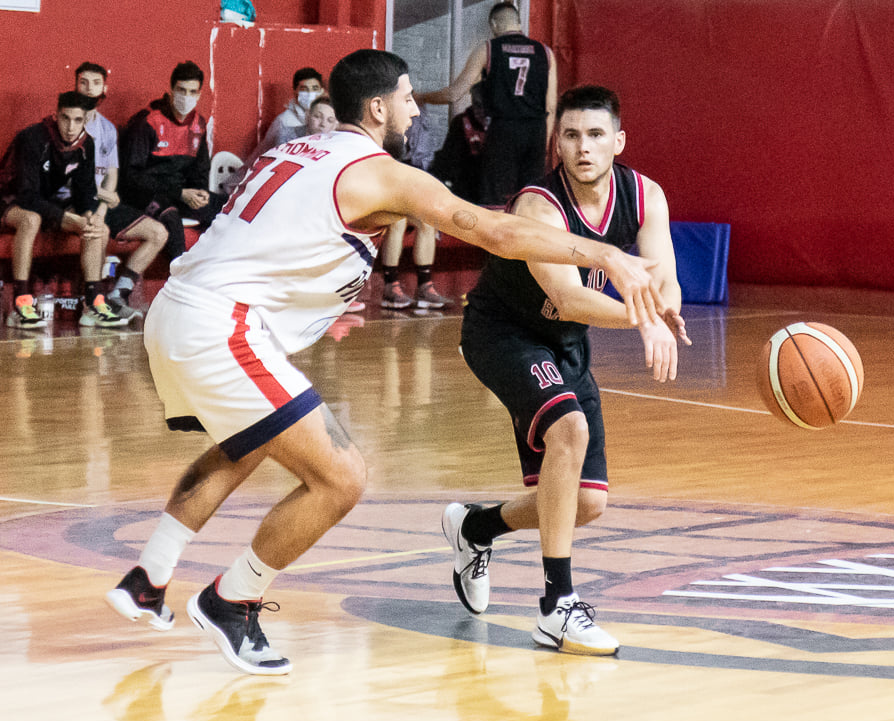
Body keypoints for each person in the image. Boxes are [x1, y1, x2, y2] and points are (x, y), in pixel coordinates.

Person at [103, 50, 665, 677]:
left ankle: (149, 577)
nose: (414, 110)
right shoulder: (379, 172)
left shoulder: (295, 151)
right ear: (377, 108)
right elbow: (495, 233)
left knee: (248, 444)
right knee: (341, 478)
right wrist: (605, 256)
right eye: (406, 98)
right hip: (221, 325)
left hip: (175, 310)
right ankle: (232, 600)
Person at [446, 85, 690, 656]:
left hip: (564, 341)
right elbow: (570, 297)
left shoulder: (645, 195)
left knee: (587, 503)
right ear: (556, 142)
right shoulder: (539, 207)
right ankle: (557, 606)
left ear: (618, 142)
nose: (584, 147)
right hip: (504, 332)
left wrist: (663, 311)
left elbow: (664, 278)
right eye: (573, 135)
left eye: (596, 135)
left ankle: (475, 528)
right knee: (568, 429)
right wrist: (643, 321)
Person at [0, 91, 126, 329]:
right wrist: (66, 218)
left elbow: (85, 194)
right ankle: (20, 304)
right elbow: (26, 195)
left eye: (77, 120)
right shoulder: (33, 138)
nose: (70, 127)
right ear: (56, 115)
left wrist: (88, 217)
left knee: (98, 228)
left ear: (85, 121)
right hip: (10, 199)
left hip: (44, 203)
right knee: (31, 219)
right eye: (65, 118)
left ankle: (93, 304)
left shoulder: (86, 144)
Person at [416, 2, 556, 206]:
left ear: (494, 24)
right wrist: (544, 144)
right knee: (531, 201)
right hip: (536, 132)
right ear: (518, 23)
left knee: (496, 202)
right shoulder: (546, 53)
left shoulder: (488, 49)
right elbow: (551, 107)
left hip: (503, 131)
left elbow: (454, 94)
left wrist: (422, 97)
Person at [75, 62, 169, 321]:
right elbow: (76, 183)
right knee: (99, 230)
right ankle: (91, 306)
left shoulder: (106, 128)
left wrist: (106, 201)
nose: (89, 89)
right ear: (75, 86)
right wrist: (104, 200)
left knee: (158, 233)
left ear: (104, 89)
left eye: (95, 83)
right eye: (83, 82)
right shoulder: (69, 123)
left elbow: (112, 174)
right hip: (77, 201)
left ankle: (118, 295)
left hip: (103, 201)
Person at [120, 61, 225, 261]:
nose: (186, 97)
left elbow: (200, 171)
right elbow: (131, 176)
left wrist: (200, 192)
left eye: (192, 92)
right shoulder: (147, 122)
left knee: (228, 208)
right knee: (171, 217)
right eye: (181, 90)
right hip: (144, 195)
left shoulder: (198, 125)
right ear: (171, 90)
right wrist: (179, 193)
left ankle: (216, 270)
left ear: (199, 94)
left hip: (180, 194)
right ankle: (177, 275)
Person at [378, 112, 453, 310]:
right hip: (377, 190)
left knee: (427, 220)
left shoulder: (417, 124)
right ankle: (390, 286)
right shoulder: (379, 124)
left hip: (403, 192)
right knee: (398, 220)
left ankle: (424, 287)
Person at [243, 68, 326, 166]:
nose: (310, 94)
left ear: (322, 91)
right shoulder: (284, 121)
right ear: (295, 92)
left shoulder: (328, 120)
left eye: (315, 89)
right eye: (304, 89)